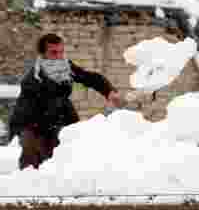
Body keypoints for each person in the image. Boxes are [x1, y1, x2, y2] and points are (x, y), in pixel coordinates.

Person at [9, 33, 120, 169]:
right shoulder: (33, 79)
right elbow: (26, 111)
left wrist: (108, 91)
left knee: (68, 159)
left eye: (61, 52)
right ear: (43, 54)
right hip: (34, 124)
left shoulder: (66, 68)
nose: (59, 56)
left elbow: (89, 77)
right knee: (35, 162)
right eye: (54, 52)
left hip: (62, 118)